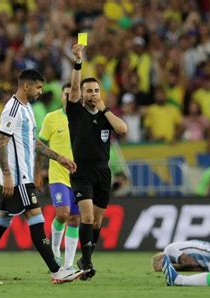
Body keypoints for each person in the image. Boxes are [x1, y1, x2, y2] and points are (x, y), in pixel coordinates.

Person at [0, 69, 83, 285]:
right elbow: (0, 144)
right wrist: (8, 175)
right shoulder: (12, 109)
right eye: (38, 87)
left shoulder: (27, 109)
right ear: (26, 86)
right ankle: (57, 270)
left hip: (23, 177)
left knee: (1, 221)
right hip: (18, 178)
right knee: (36, 218)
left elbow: (34, 142)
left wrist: (59, 158)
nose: (41, 92)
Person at [66, 44, 128, 280]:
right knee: (88, 216)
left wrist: (105, 109)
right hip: (81, 172)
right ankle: (87, 262)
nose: (92, 94)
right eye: (88, 91)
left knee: (97, 221)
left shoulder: (105, 116)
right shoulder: (75, 111)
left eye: (95, 90)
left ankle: (86, 258)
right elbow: (73, 86)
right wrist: (78, 61)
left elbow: (122, 129)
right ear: (81, 94)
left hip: (103, 172)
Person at [38, 83, 80, 270]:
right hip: (58, 175)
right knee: (63, 214)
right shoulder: (51, 118)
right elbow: (40, 145)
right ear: (61, 97)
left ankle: (69, 264)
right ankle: (55, 250)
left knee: (75, 219)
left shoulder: (84, 118)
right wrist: (37, 171)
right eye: (66, 94)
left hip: (80, 176)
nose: (69, 97)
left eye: (73, 94)